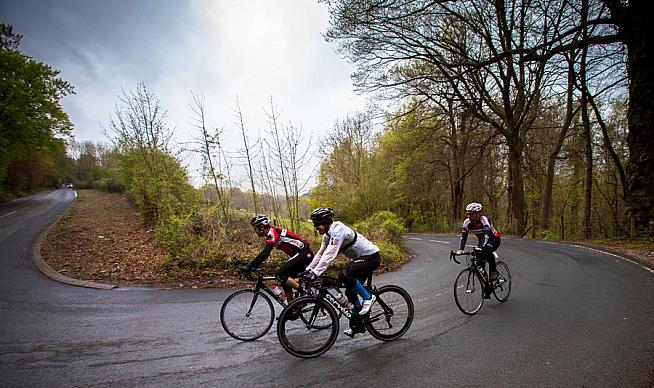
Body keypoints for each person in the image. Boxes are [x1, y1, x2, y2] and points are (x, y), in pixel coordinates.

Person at [303, 207, 380, 337]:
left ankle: (368, 297)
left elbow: (330, 254)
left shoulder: (338, 230)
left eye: (317, 224)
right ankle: (358, 323)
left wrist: (316, 273)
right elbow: (321, 253)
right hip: (360, 259)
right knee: (350, 291)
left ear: (326, 222)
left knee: (344, 274)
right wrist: (308, 270)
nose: (316, 228)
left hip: (371, 257)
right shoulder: (328, 235)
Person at [240, 214, 313, 302]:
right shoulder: (272, 232)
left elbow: (265, 253)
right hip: (301, 254)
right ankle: (292, 308)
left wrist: (250, 265)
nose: (255, 231)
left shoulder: (272, 232)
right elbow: (264, 254)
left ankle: (305, 292)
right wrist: (252, 265)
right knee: (284, 280)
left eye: (255, 228)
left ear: (262, 227)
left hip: (304, 253)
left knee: (280, 274)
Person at [456, 202, 502, 296]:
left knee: (487, 251)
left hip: (493, 238)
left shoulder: (484, 219)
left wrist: (482, 248)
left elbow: (487, 235)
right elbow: (463, 237)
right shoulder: (467, 222)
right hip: (482, 240)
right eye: (468, 213)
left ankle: (493, 272)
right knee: (479, 265)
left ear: (478, 213)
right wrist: (461, 249)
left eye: (471, 214)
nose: (469, 216)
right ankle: (488, 286)